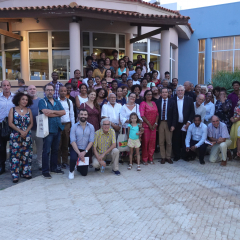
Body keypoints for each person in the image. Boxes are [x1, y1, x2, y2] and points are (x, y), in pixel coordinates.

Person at [38, 84, 66, 179]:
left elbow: (64, 112)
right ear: (45, 92)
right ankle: (45, 171)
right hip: (48, 129)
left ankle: (53, 168)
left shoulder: (57, 101)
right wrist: (57, 114)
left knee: (55, 150)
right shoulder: (42, 101)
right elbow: (46, 113)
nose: (50, 91)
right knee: (46, 151)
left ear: (54, 91)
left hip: (57, 128)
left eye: (51, 90)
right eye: (48, 90)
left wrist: (52, 112)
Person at [8, 92, 33, 183]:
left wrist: (26, 131)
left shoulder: (29, 110)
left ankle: (25, 172)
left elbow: (31, 123)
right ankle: (15, 174)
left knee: (26, 154)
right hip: (15, 136)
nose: (25, 101)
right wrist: (20, 131)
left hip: (27, 136)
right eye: (23, 99)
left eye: (26, 100)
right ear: (18, 100)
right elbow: (10, 123)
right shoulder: (13, 109)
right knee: (15, 155)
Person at [69, 109, 95, 179]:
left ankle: (78, 166)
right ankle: (71, 171)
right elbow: (72, 141)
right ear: (78, 115)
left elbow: (91, 141)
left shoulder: (91, 127)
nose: (83, 116)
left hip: (85, 149)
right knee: (73, 158)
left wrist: (84, 152)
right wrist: (79, 153)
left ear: (87, 116)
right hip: (75, 148)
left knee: (84, 174)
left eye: (85, 114)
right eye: (81, 114)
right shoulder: (74, 126)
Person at [172, 85, 195, 161]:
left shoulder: (190, 99)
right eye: (178, 90)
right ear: (176, 92)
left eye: (181, 90)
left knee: (185, 140)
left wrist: (188, 122)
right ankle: (177, 155)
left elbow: (192, 112)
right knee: (176, 140)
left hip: (186, 124)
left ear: (184, 91)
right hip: (176, 124)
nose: (180, 92)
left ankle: (185, 155)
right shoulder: (172, 100)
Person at [156, 88, 177, 164]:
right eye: (163, 92)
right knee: (161, 142)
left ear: (168, 93)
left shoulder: (172, 102)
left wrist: (173, 125)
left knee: (169, 142)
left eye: (166, 92)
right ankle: (163, 157)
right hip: (161, 123)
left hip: (169, 123)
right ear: (161, 94)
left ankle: (168, 157)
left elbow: (175, 114)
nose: (164, 93)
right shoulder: (157, 102)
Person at [57, 86, 75, 169]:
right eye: (62, 91)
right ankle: (58, 163)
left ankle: (65, 162)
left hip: (67, 124)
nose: (63, 92)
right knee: (58, 145)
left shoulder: (69, 102)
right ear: (59, 92)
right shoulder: (56, 101)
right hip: (58, 124)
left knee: (65, 144)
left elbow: (72, 114)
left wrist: (72, 126)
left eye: (65, 91)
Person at [140, 90, 159, 164]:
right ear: (145, 96)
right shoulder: (143, 103)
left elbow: (157, 114)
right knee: (145, 143)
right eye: (148, 94)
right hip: (146, 126)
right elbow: (142, 115)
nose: (149, 96)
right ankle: (144, 159)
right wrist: (149, 125)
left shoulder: (154, 103)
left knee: (152, 143)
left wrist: (155, 124)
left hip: (154, 126)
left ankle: (150, 158)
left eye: (151, 94)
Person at [0, 80, 15, 175]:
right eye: (4, 85)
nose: (6, 87)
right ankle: (2, 166)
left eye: (7, 85)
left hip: (13, 125)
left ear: (10, 86)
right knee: (1, 147)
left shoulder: (15, 97)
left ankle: (14, 166)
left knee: (14, 146)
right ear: (1, 87)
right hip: (1, 125)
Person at [27, 85, 43, 170]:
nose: (32, 90)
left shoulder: (41, 100)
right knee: (29, 149)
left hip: (39, 129)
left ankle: (40, 164)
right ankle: (28, 165)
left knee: (40, 148)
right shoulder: (25, 100)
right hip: (28, 130)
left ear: (36, 90)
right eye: (30, 89)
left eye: (34, 89)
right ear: (27, 91)